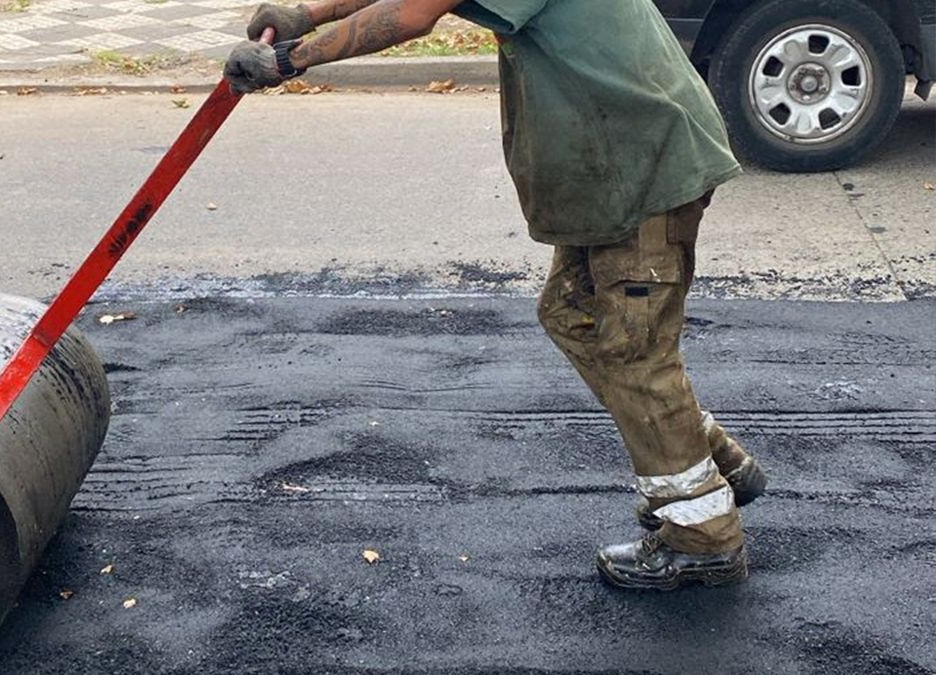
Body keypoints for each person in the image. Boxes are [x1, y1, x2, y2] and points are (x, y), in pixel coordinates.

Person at [224, 0, 768, 591]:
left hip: (645, 160)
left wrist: (290, 58)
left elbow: (409, 13)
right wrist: (305, 12)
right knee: (571, 315)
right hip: (618, 161)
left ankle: (704, 539)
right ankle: (711, 463)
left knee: (634, 351)